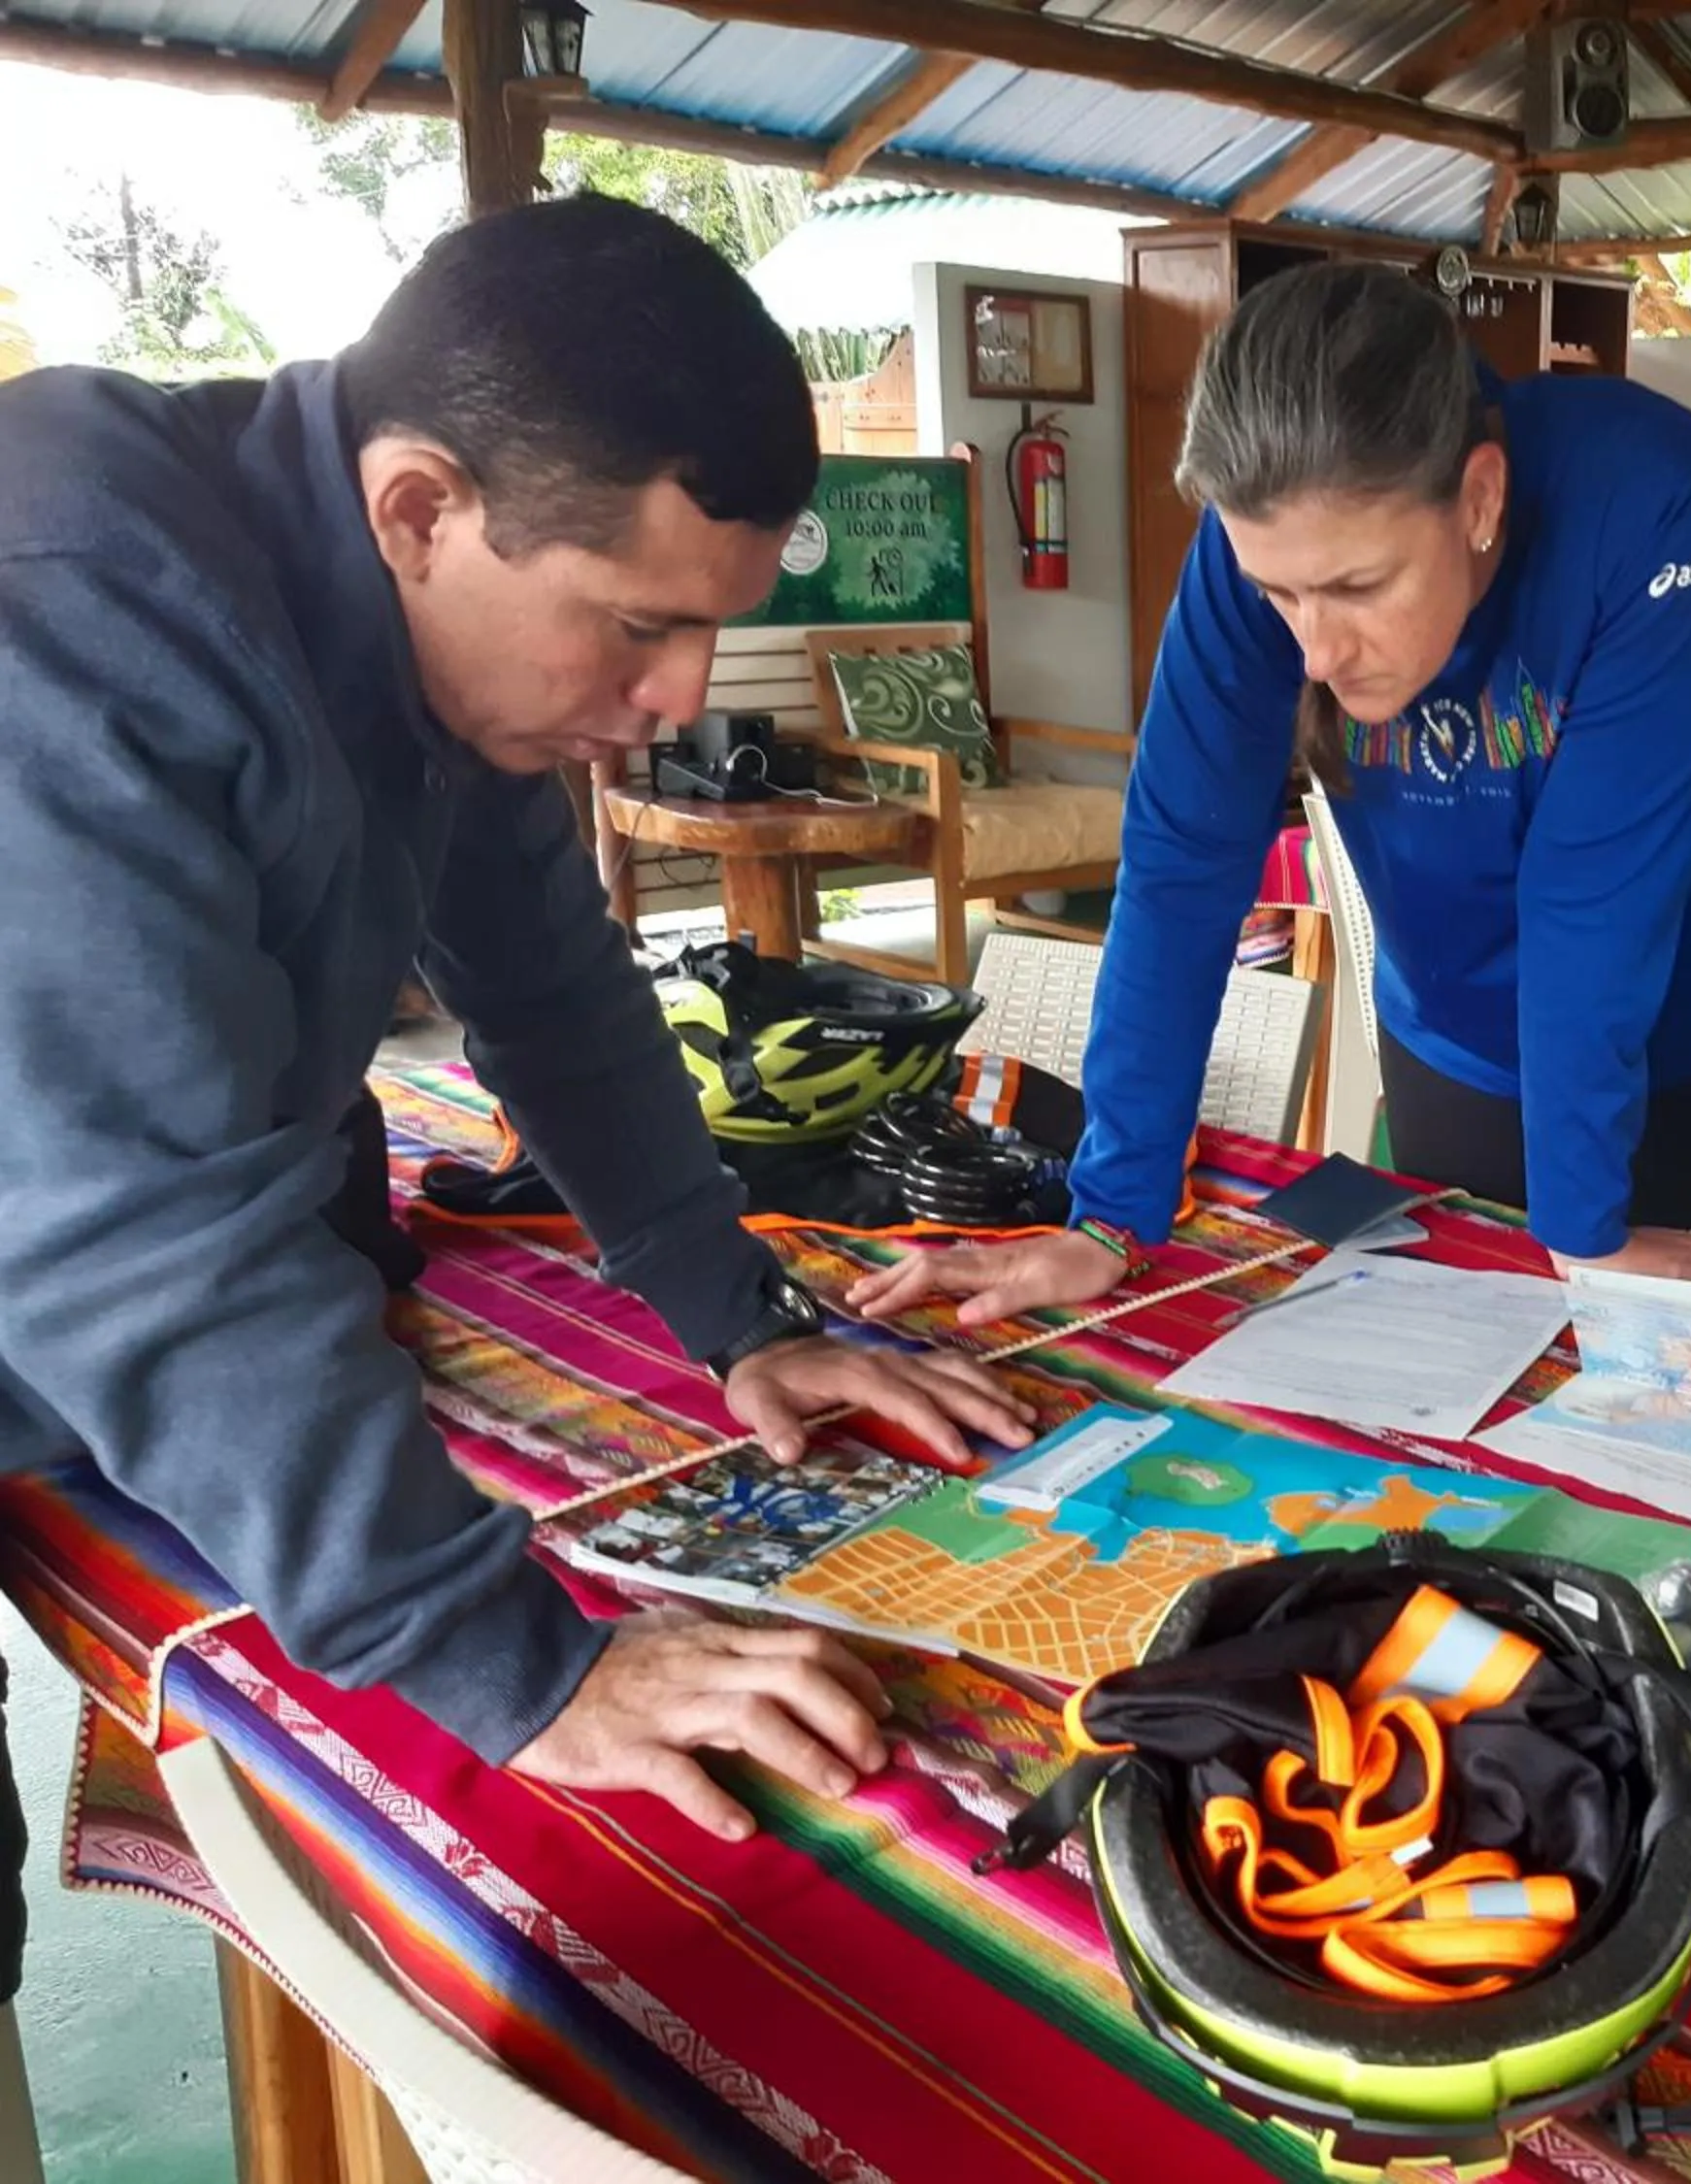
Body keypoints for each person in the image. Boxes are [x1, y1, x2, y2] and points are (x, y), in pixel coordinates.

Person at [0, 192, 1043, 1991]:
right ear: (421, 507)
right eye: (635, 625)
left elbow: (555, 987)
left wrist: (737, 1313)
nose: (679, 696)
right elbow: (140, 1224)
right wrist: (509, 1658)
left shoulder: (421, 640)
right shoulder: (78, 607)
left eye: (710, 631)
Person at [850, 261, 1691, 1334]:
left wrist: (1587, 1232)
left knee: (1661, 1411)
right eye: (1280, 594)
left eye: (1360, 589)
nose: (1313, 649)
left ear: (1482, 499)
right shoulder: (1257, 549)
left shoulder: (1656, 503)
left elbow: (1589, 898)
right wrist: (1109, 1217)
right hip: (1455, 1030)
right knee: (1461, 1392)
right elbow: (1181, 868)